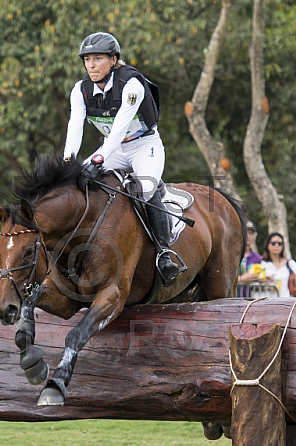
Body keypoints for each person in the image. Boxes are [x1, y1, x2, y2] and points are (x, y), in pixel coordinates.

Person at [62, 32, 184, 287]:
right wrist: (69, 160)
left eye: (98, 58)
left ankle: (164, 253)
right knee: (73, 185)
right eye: (87, 59)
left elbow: (119, 128)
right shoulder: (80, 89)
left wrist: (97, 159)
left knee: (147, 189)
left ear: (113, 60)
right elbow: (76, 125)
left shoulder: (131, 85)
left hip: (143, 145)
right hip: (113, 149)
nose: (91, 65)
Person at [260, 232, 296, 298]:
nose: (277, 246)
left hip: (286, 302)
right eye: (273, 243)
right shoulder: (261, 264)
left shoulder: (290, 263)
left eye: (280, 243)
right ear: (267, 245)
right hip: (266, 302)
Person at [237, 221, 263, 297]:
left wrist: (262, 280)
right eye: (245, 232)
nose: (248, 236)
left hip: (249, 299)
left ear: (255, 236)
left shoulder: (257, 258)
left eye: (251, 233)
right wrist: (241, 279)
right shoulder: (231, 254)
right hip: (231, 299)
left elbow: (257, 285)